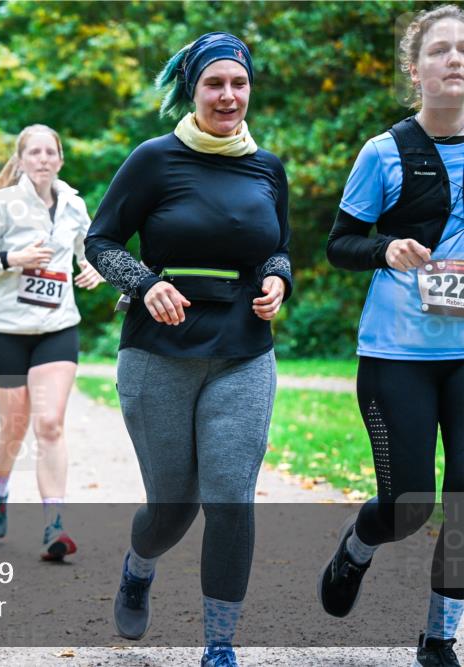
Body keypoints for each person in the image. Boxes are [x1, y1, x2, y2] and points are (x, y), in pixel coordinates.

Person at [85, 33, 292, 667]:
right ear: (193, 89)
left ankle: (220, 646)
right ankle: (138, 566)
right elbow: (101, 242)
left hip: (244, 353)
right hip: (158, 355)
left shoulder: (268, 167)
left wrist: (279, 278)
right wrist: (146, 285)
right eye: (214, 84)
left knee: (230, 496)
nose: (228, 96)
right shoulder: (154, 159)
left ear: (250, 88)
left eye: (239, 83)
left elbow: (277, 247)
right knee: (173, 508)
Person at [318, 6, 464, 665]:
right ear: (415, 69)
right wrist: (387, 248)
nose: (455, 60)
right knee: (408, 504)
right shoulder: (384, 152)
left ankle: (440, 636)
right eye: (440, 50)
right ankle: (357, 548)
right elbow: (339, 244)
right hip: (397, 351)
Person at [0, 124, 104, 561]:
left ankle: (54, 526)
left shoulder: (74, 205)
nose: (42, 159)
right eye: (33, 152)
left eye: (49, 152)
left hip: (57, 326)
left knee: (50, 423)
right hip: (2, 329)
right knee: (16, 424)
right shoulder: (1, 204)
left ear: (60, 159)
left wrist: (94, 268)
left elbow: (92, 249)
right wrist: (11, 259)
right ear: (20, 160)